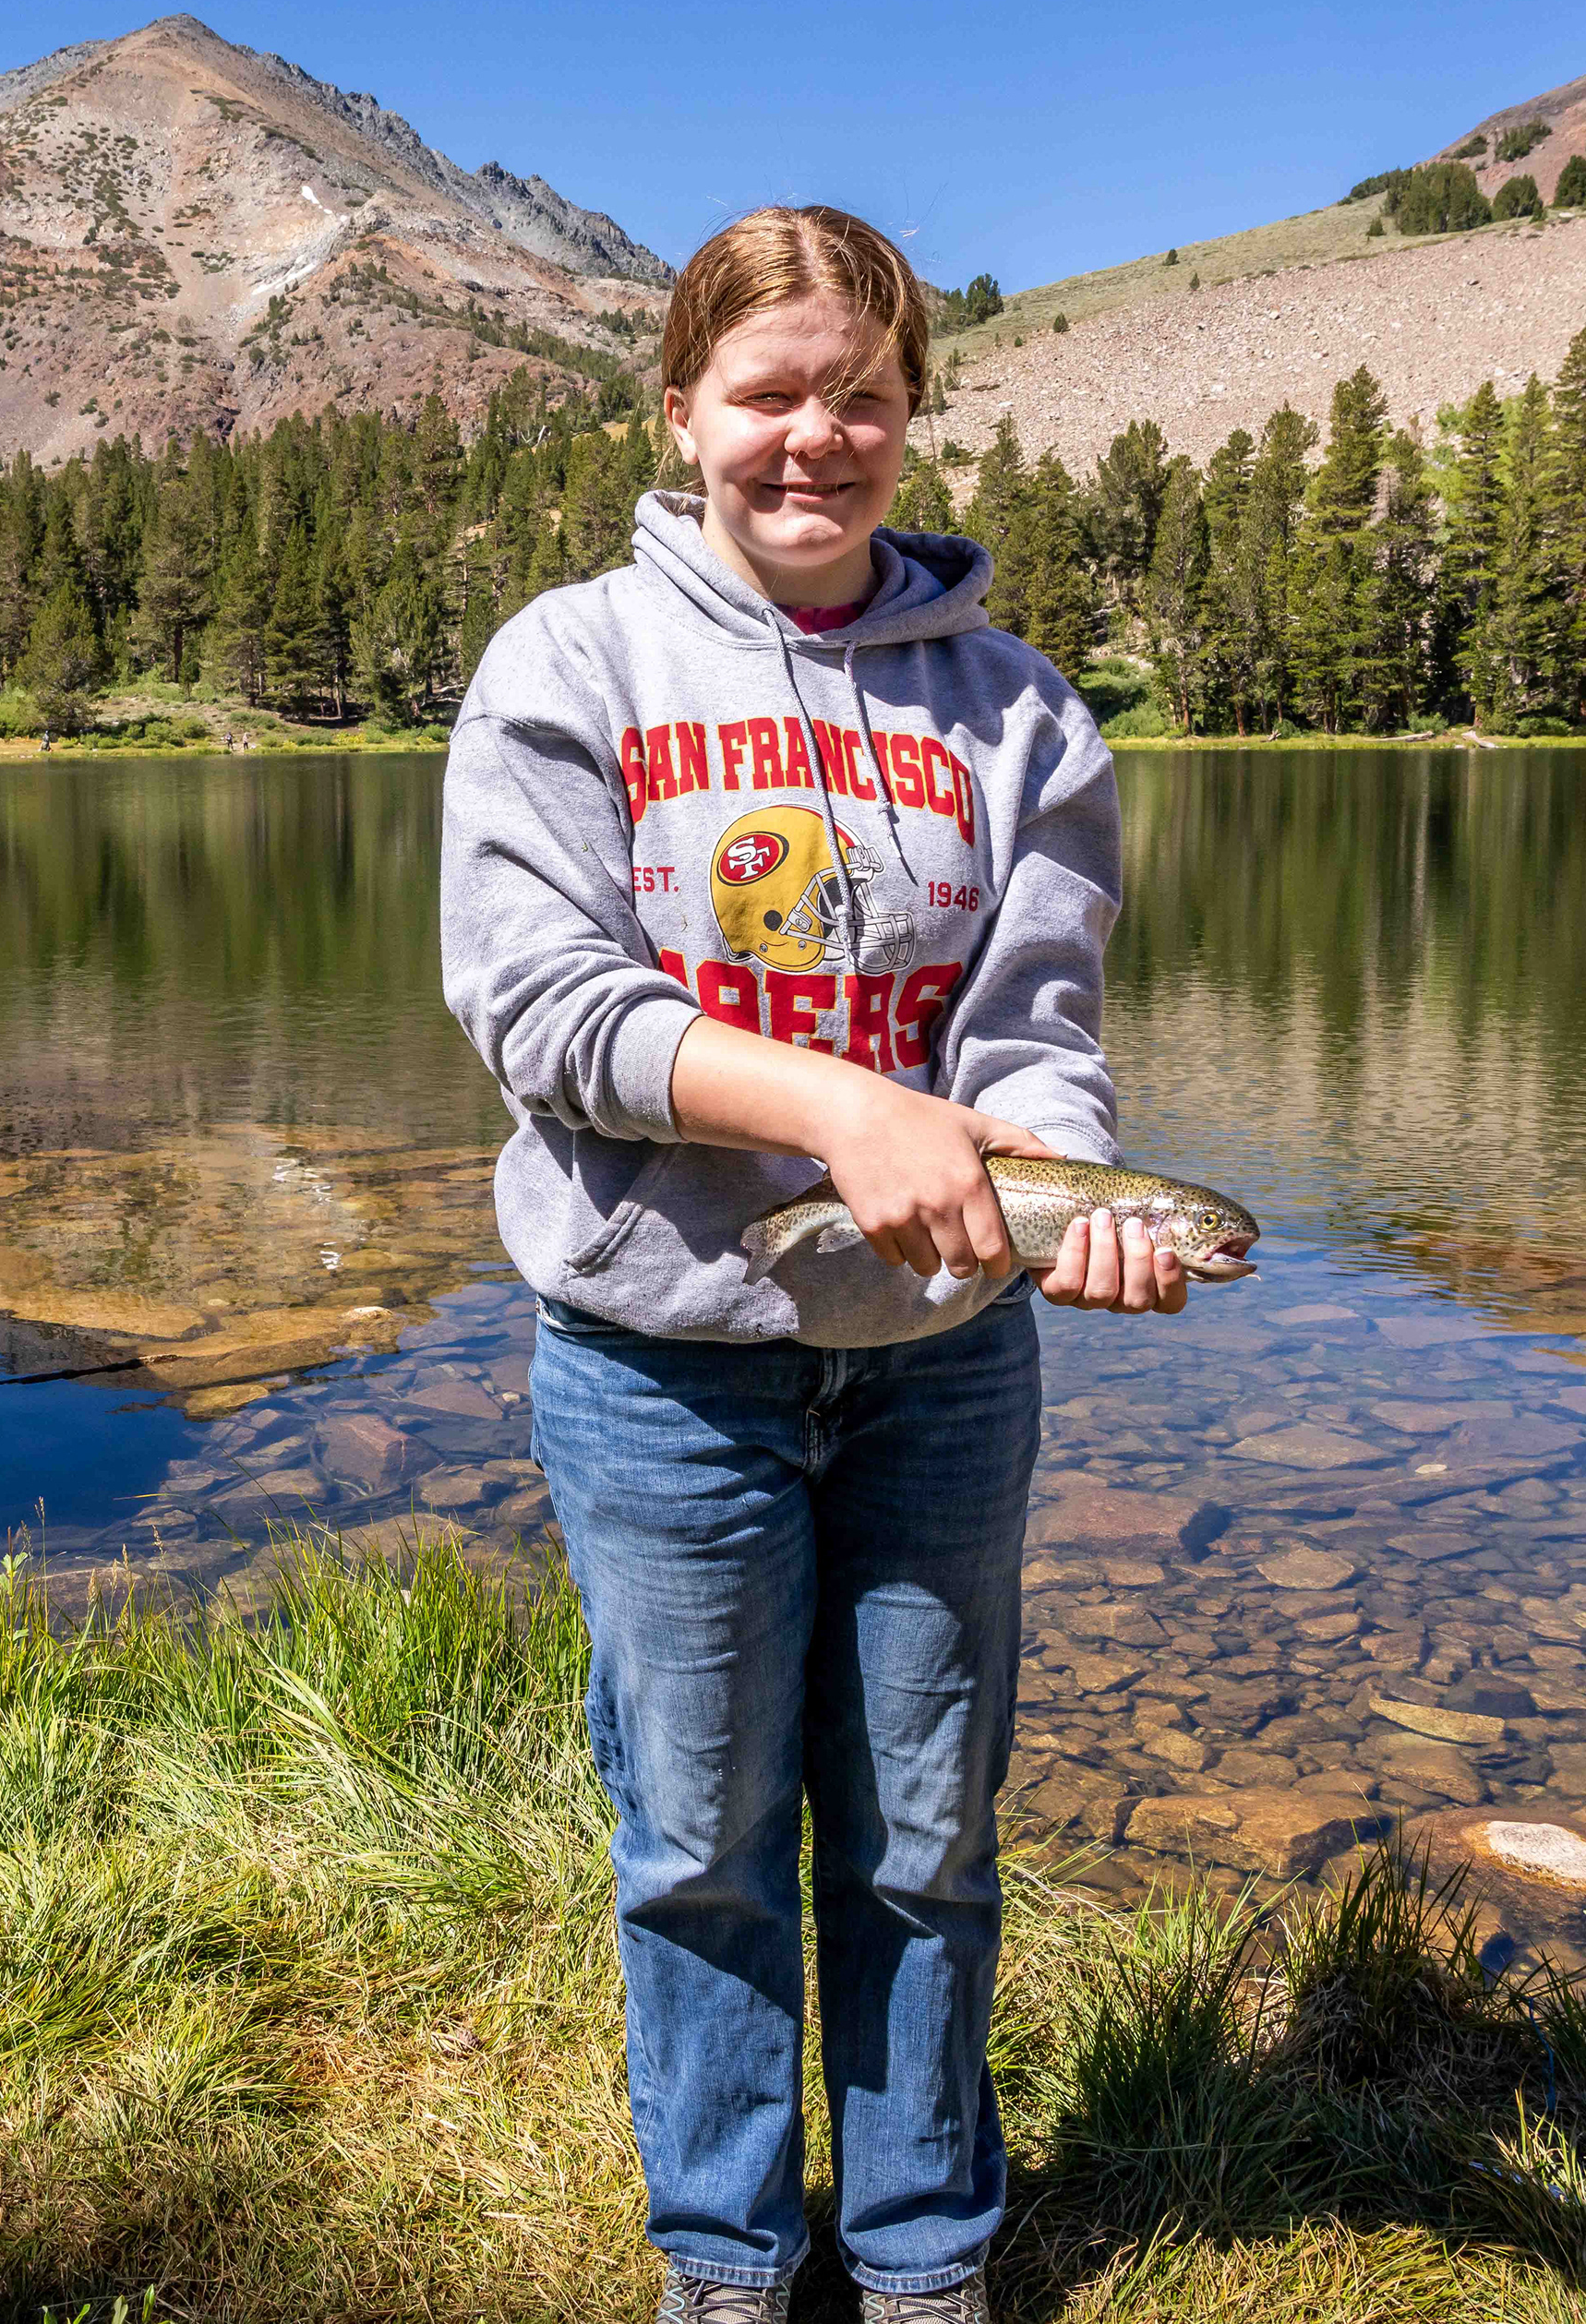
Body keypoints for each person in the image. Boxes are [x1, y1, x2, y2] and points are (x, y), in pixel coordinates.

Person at [438, 206, 1187, 2322]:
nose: (814, 439)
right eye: (767, 393)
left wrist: (1080, 1198)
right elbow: (538, 1008)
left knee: (926, 1836)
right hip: (661, 1362)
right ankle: (729, 2255)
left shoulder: (1019, 715)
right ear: (681, 411)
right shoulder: (568, 665)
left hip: (947, 1362)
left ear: (912, 414)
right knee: (695, 1841)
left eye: (861, 394)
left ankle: (929, 2249)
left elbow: (1037, 1041)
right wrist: (839, 1107)